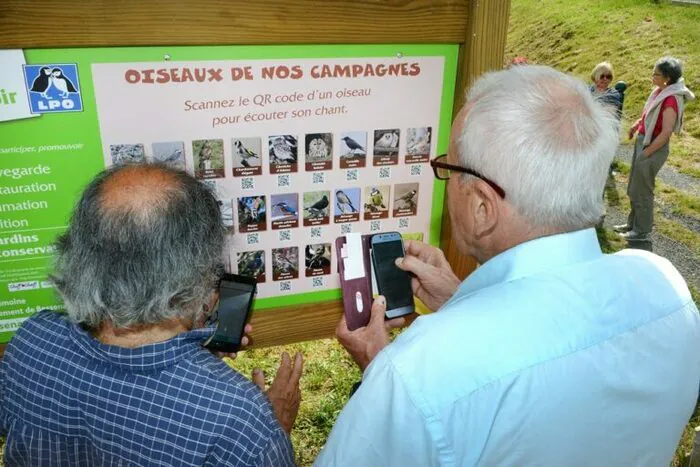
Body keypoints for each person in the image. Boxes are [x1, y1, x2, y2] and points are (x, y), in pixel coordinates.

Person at [316, 65, 700, 466]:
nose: (444, 181)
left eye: (448, 169)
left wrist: (384, 383)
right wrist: (459, 301)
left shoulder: (419, 375)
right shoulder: (666, 289)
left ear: (483, 207)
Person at [0, 164, 303, 466]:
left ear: (79, 253)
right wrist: (275, 429)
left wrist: (193, 359)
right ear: (200, 273)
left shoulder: (32, 340)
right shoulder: (240, 423)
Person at [615, 56, 695, 241]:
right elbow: (648, 116)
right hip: (645, 143)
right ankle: (632, 224)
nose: (652, 76)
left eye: (656, 74)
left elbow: (666, 132)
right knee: (635, 187)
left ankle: (641, 231)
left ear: (667, 78)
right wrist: (637, 125)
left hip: (653, 147)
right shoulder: (659, 91)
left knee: (643, 190)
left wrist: (647, 153)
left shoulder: (671, 100)